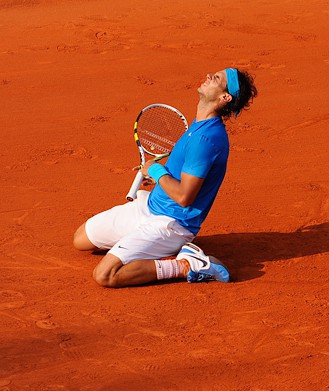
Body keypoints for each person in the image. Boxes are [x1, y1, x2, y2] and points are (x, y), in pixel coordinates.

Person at [72, 68, 258, 288]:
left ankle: (187, 265)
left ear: (225, 97)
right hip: (149, 206)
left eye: (216, 79)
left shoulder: (205, 139)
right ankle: (140, 243)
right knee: (81, 240)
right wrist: (159, 178)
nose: (208, 76)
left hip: (170, 224)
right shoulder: (199, 125)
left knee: (106, 275)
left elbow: (184, 196)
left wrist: (156, 171)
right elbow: (182, 175)